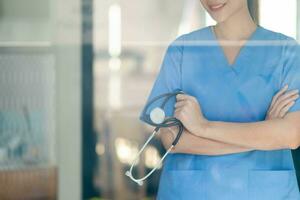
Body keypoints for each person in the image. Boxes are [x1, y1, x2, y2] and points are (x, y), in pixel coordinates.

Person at [139, 0, 300, 199]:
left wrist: (203, 127)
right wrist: (264, 135)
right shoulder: (182, 50)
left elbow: (291, 135)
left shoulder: (286, 51)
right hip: (190, 192)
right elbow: (171, 139)